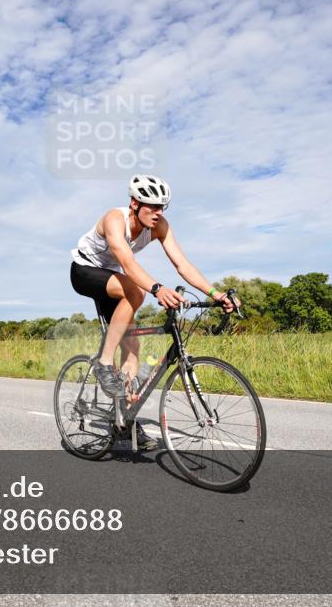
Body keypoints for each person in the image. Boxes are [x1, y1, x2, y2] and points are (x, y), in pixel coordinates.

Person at [69, 174, 237, 450]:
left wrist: (214, 293)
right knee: (137, 292)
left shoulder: (160, 227)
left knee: (134, 346)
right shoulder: (115, 219)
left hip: (113, 278)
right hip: (84, 271)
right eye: (152, 206)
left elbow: (183, 264)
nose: (158, 213)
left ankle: (124, 421)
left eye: (163, 207)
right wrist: (158, 288)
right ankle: (103, 361)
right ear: (134, 203)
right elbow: (128, 263)